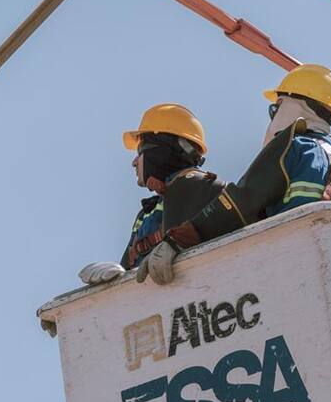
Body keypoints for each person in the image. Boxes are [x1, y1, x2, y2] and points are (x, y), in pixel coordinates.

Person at [136, 65, 331, 284]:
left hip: (299, 268)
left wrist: (178, 240)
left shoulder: (293, 147)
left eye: (275, 108)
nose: (273, 117)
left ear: (291, 105)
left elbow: (240, 202)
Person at [76, 103, 223, 286]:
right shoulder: (148, 212)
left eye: (140, 152)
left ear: (159, 152)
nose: (134, 162)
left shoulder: (197, 186)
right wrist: (115, 278)